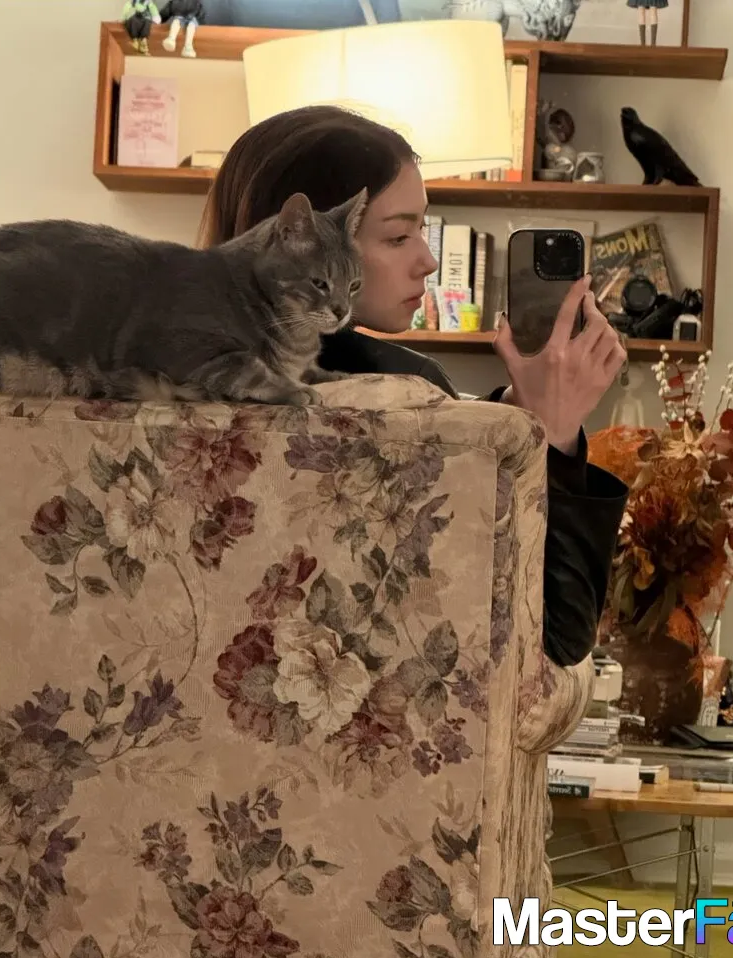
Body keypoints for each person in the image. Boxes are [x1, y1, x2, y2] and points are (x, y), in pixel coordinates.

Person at [198, 105, 630, 669]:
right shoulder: (406, 393)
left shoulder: (145, 373)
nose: (427, 260)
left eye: (423, 229)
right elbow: (556, 640)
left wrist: (509, 420)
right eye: (399, 235)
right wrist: (552, 433)